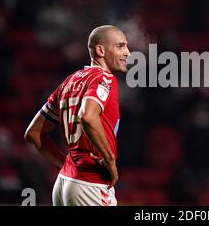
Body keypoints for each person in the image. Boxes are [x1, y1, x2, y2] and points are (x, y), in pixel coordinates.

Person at [24, 25, 130, 206]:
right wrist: (110, 160)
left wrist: (66, 163)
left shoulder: (69, 82)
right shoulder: (104, 79)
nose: (127, 52)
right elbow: (88, 116)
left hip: (64, 182)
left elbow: (33, 133)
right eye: (120, 46)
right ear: (100, 50)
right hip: (90, 182)